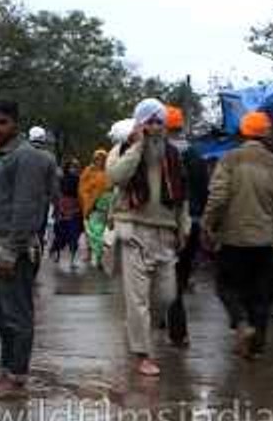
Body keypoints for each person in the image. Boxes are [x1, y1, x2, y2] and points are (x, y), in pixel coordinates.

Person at [106, 98, 191, 377]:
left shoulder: (173, 156)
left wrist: (183, 227)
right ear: (140, 123)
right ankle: (142, 354)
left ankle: (138, 332)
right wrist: (138, 147)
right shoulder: (122, 150)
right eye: (149, 122)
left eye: (159, 122)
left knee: (166, 296)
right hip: (133, 230)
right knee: (138, 298)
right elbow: (117, 177)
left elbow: (182, 198)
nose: (155, 127)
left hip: (165, 234)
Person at [203, 111, 273, 359]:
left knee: (226, 286)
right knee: (261, 292)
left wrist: (208, 224)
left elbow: (219, 197)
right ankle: (257, 345)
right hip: (264, 240)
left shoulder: (230, 159)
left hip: (233, 238)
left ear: (242, 133)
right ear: (266, 135)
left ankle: (241, 323)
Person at [0, 101, 56, 398]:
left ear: (15, 123)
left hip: (15, 247)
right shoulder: (1, 155)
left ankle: (17, 377)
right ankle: (6, 371)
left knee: (17, 314)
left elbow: (26, 206)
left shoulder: (26, 157)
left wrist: (12, 250)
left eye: (1, 122)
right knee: (1, 315)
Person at [163, 105, 209, 348]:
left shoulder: (162, 155)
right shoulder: (196, 155)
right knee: (179, 277)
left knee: (168, 277)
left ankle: (177, 331)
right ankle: (174, 326)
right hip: (194, 223)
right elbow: (205, 191)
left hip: (168, 223)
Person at [78, 149, 112, 268]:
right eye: (98, 159)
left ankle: (97, 256)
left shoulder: (109, 171)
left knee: (100, 231)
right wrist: (89, 199)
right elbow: (82, 189)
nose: (100, 161)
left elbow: (112, 188)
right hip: (92, 207)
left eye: (103, 159)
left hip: (105, 207)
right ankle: (97, 255)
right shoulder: (88, 171)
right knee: (92, 231)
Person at [28, 125, 59, 251]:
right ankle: (37, 252)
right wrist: (56, 202)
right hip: (41, 200)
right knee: (40, 229)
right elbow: (53, 184)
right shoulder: (50, 158)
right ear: (44, 139)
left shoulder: (19, 154)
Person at [50, 158, 84, 267]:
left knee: (74, 234)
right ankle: (55, 250)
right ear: (68, 168)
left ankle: (72, 260)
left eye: (76, 167)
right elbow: (57, 194)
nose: (74, 169)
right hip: (63, 207)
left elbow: (82, 194)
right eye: (72, 166)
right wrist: (57, 208)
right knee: (61, 233)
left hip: (76, 209)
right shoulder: (62, 179)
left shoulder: (80, 179)